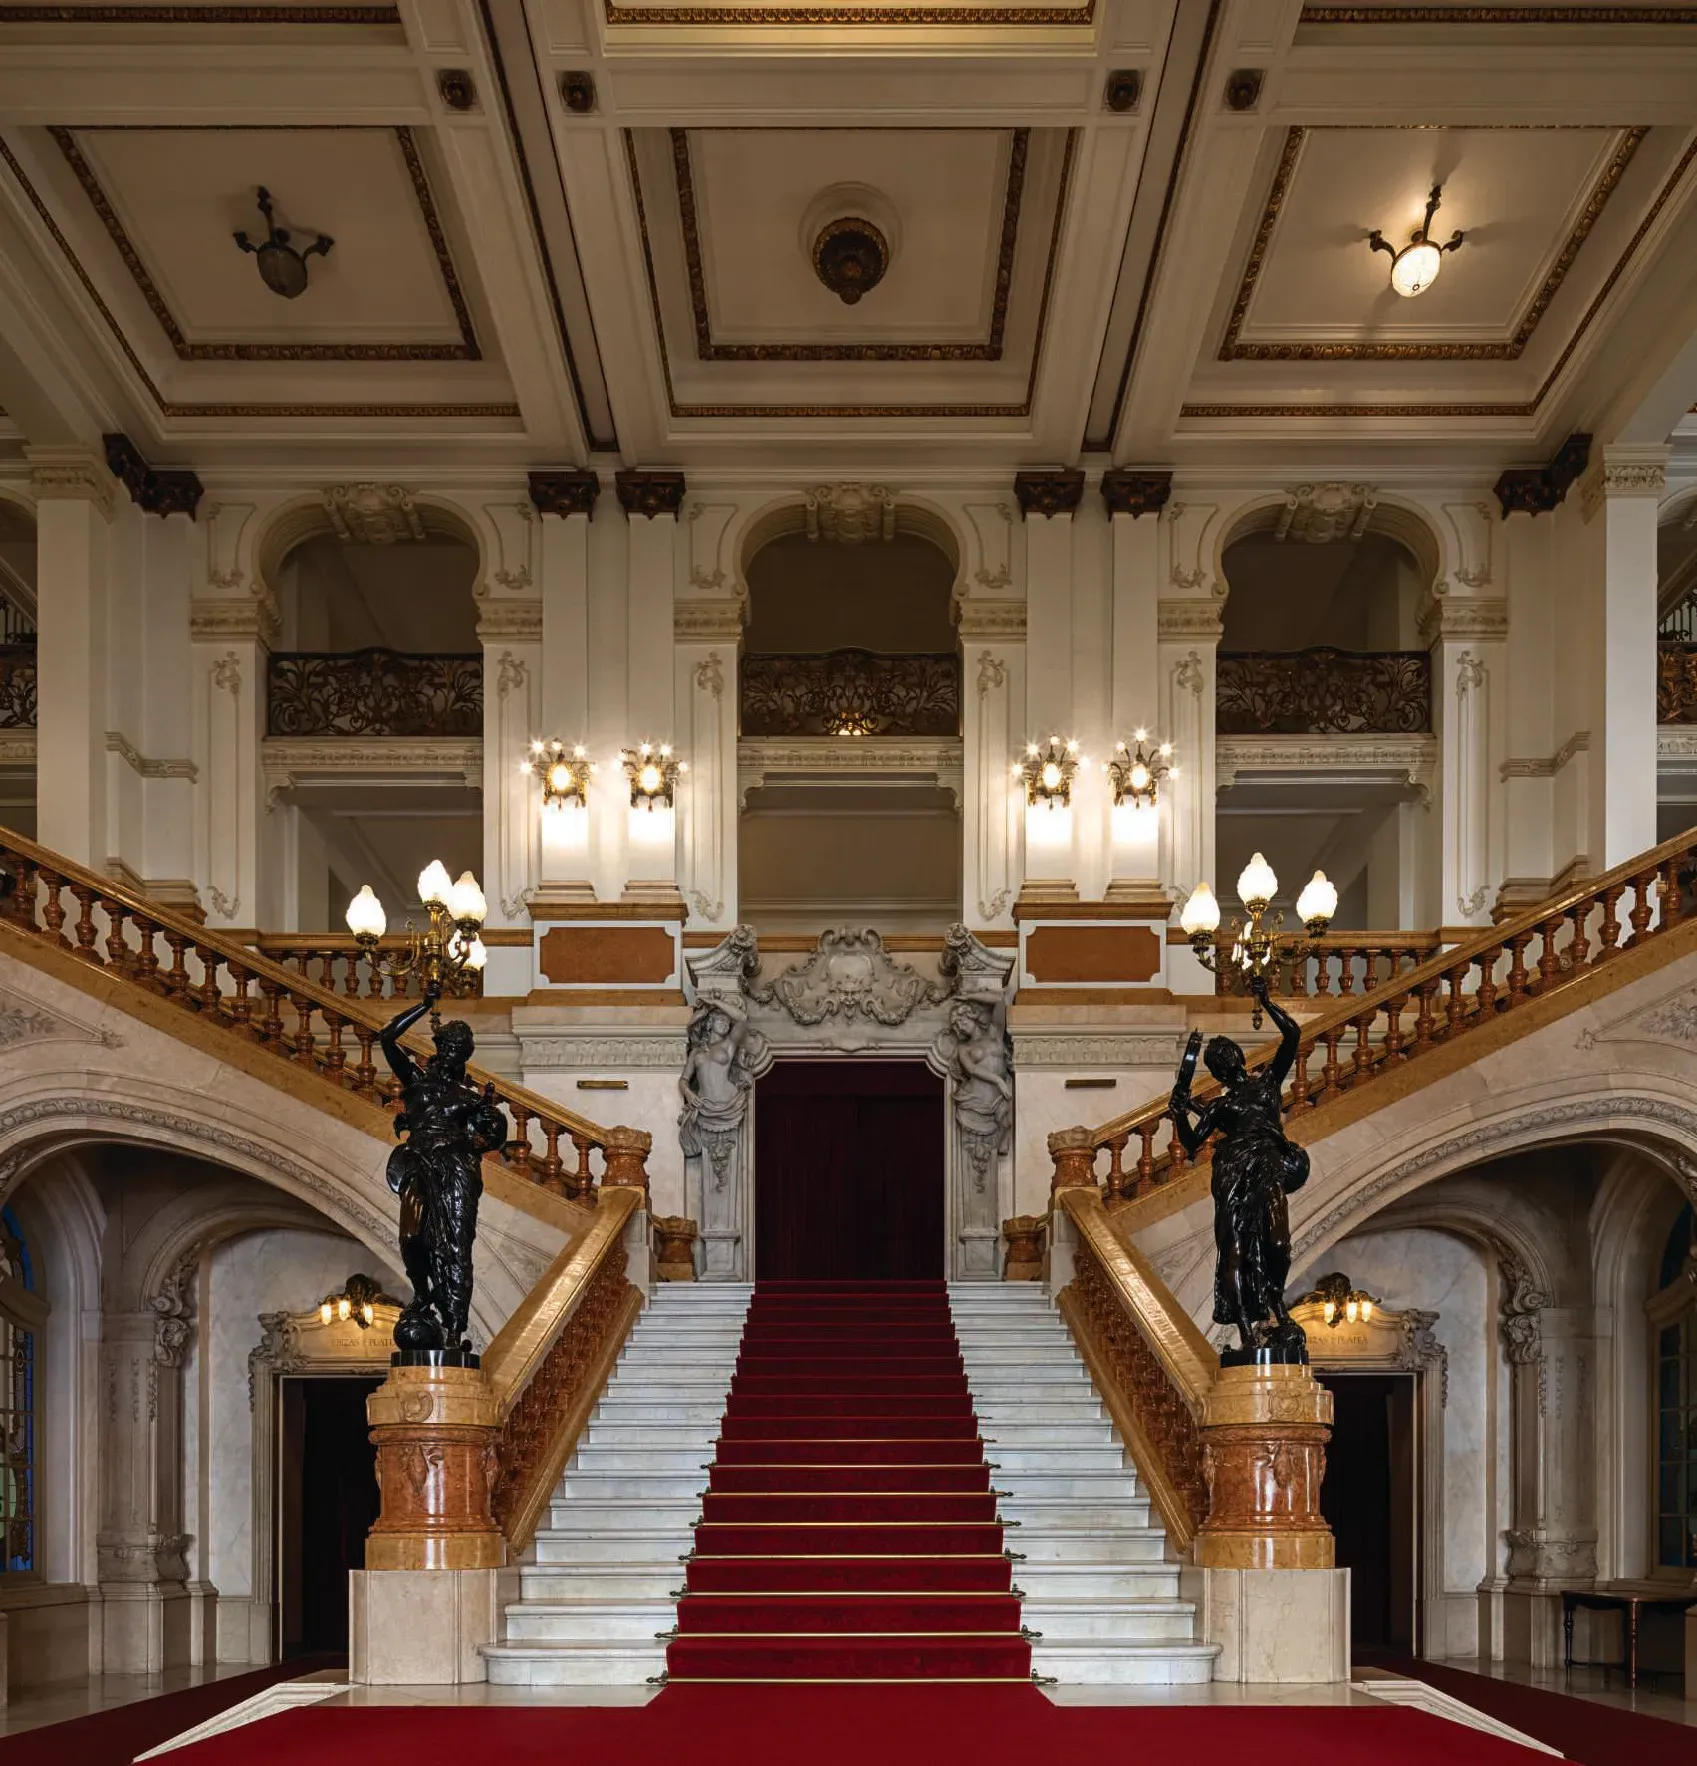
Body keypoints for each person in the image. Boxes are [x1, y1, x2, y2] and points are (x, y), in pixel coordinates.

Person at [1169, 974, 1311, 1362]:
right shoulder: (1218, 1107)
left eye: (1227, 1053)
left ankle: (1275, 1307)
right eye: (1218, 1060)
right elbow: (1192, 1145)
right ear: (1215, 1070)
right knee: (1234, 1251)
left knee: (1278, 1243)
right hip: (1232, 1172)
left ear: (1239, 1056)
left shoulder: (1267, 1084)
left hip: (1266, 1165)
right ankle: (1247, 1327)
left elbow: (1294, 1035)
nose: (1225, 1060)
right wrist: (1178, 1113)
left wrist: (1265, 1001)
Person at [379, 984, 507, 1357]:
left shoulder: (469, 1097)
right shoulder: (416, 1081)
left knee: (454, 1245)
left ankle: (453, 1328)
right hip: (418, 1161)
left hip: (456, 1168)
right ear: (438, 1049)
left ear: (465, 1055)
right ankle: (422, 1292)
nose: (451, 1055)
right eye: (447, 1048)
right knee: (411, 1235)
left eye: (458, 1051)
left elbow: (494, 1138)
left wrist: (488, 1118)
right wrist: (423, 1006)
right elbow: (387, 1038)